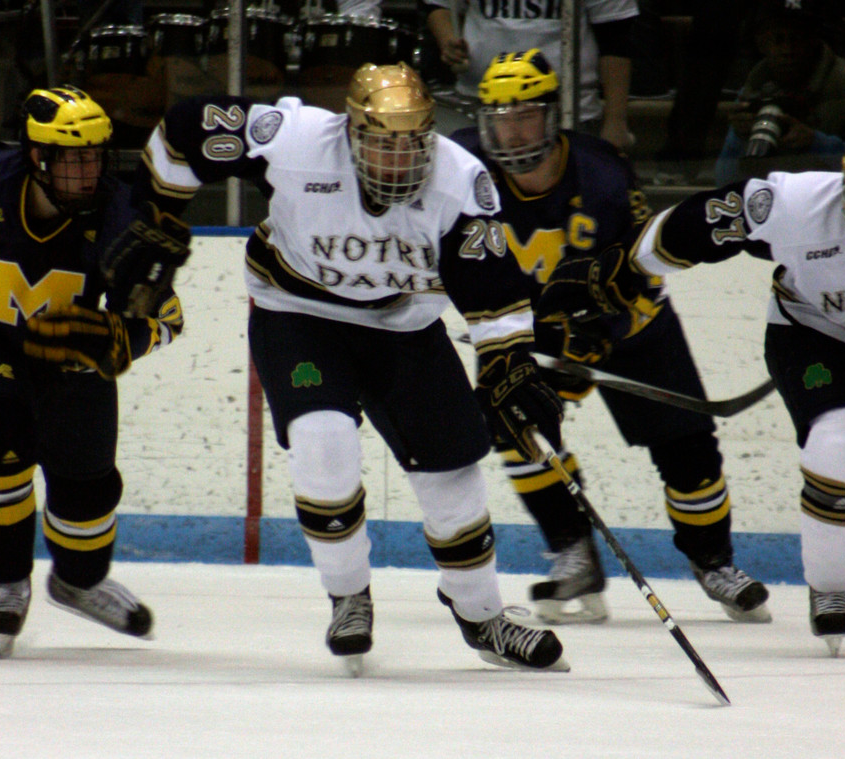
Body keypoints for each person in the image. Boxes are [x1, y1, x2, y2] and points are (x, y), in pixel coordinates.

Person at [99, 62, 569, 674]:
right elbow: (186, 128)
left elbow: (493, 293)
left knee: (453, 474)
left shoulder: (462, 180)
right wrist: (158, 214)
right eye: (382, 144)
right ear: (349, 134)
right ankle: (349, 597)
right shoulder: (296, 141)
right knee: (324, 445)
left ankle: (481, 616)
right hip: (297, 315)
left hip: (404, 328)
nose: (399, 161)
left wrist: (508, 363)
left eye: (412, 145)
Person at [538, 123, 845, 655]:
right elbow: (697, 224)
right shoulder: (793, 205)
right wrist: (624, 266)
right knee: (838, 448)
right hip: (816, 339)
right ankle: (832, 589)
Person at [449, 48, 771, 624]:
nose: (510, 131)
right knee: (517, 427)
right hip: (538, 332)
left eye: (524, 116)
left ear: (552, 116)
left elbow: (643, 265)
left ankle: (713, 562)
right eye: (498, 118)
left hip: (633, 323)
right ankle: (573, 554)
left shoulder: (602, 174)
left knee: (688, 450)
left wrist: (603, 332)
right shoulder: (461, 166)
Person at [0, 86, 188, 658]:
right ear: (37, 157)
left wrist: (120, 337)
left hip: (72, 355)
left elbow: (167, 315)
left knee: (88, 489)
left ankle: (78, 582)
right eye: (72, 158)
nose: (87, 171)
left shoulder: (122, 216)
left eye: (95, 156)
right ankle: (7, 579)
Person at [714, 0, 845, 185]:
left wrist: (816, 143)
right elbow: (724, 180)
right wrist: (741, 139)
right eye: (778, 39)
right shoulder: (753, 87)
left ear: (814, 40)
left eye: (796, 39)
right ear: (761, 43)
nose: (787, 50)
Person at [424, 0, 639, 150]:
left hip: (570, 108)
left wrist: (615, 121)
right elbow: (439, 5)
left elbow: (616, 39)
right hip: (479, 103)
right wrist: (448, 39)